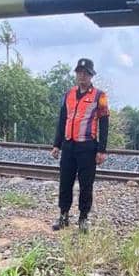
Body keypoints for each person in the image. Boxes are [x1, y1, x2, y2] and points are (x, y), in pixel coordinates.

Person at [50, 57, 109, 233]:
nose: (82, 76)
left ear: (91, 76)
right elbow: (62, 120)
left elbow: (104, 123)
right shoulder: (67, 95)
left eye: (86, 73)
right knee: (65, 182)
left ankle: (83, 218)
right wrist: (56, 144)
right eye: (79, 73)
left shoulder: (100, 96)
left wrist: (102, 150)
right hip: (69, 146)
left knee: (86, 184)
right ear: (76, 74)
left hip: (87, 147)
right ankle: (63, 215)